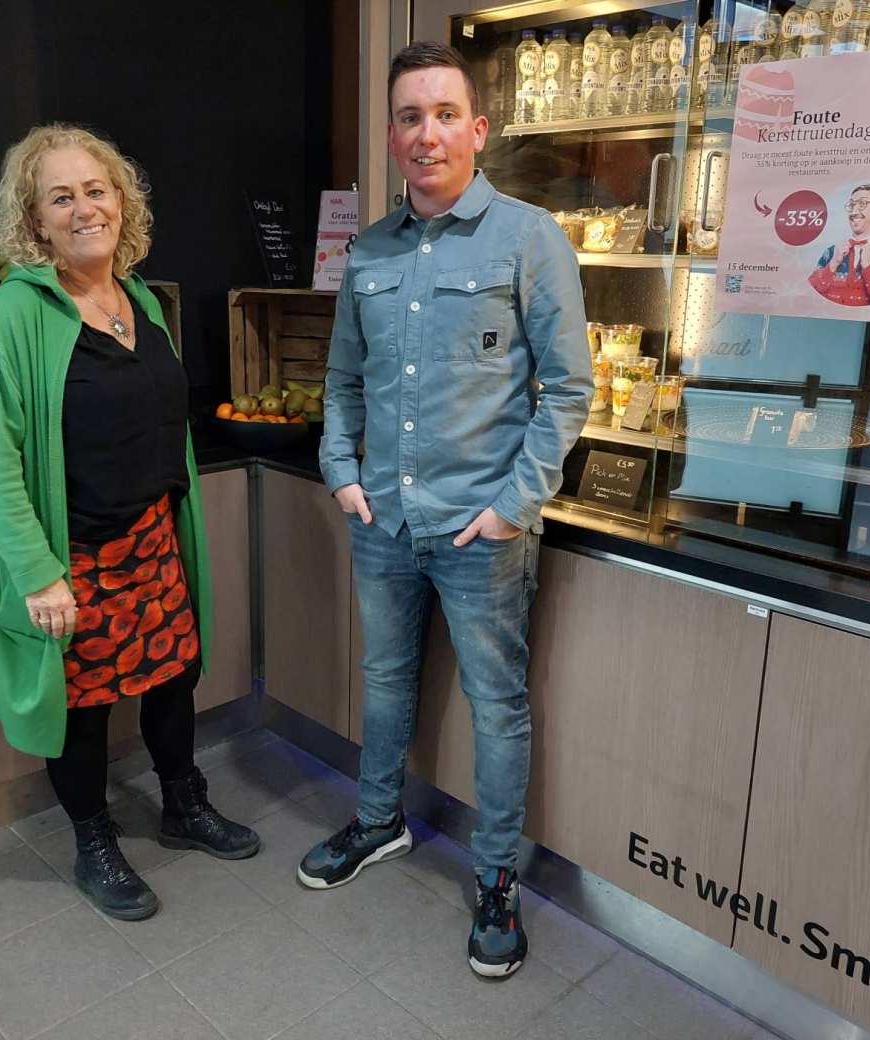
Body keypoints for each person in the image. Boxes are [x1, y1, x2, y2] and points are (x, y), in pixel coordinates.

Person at [298, 42, 592, 977]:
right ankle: (378, 823)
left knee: (497, 708)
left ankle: (497, 878)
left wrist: (513, 507)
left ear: (478, 128)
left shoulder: (528, 237)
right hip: (382, 519)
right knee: (385, 681)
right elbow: (343, 379)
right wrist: (339, 467)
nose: (426, 134)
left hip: (481, 531)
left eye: (442, 114)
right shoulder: (370, 250)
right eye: (408, 117)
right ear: (392, 136)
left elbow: (570, 390)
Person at [0, 124, 259, 922]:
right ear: (35, 219)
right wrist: (38, 570)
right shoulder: (12, 317)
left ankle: (184, 806)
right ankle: (95, 844)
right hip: (76, 556)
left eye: (97, 190)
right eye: (61, 196)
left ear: (121, 201)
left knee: (171, 679)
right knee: (81, 710)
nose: (85, 207)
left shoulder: (141, 304)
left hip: (153, 542)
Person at [808, 183, 870, 306]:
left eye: (862, 204)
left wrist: (867, 265)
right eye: (851, 205)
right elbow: (810, 293)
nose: (854, 212)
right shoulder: (832, 251)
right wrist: (834, 263)